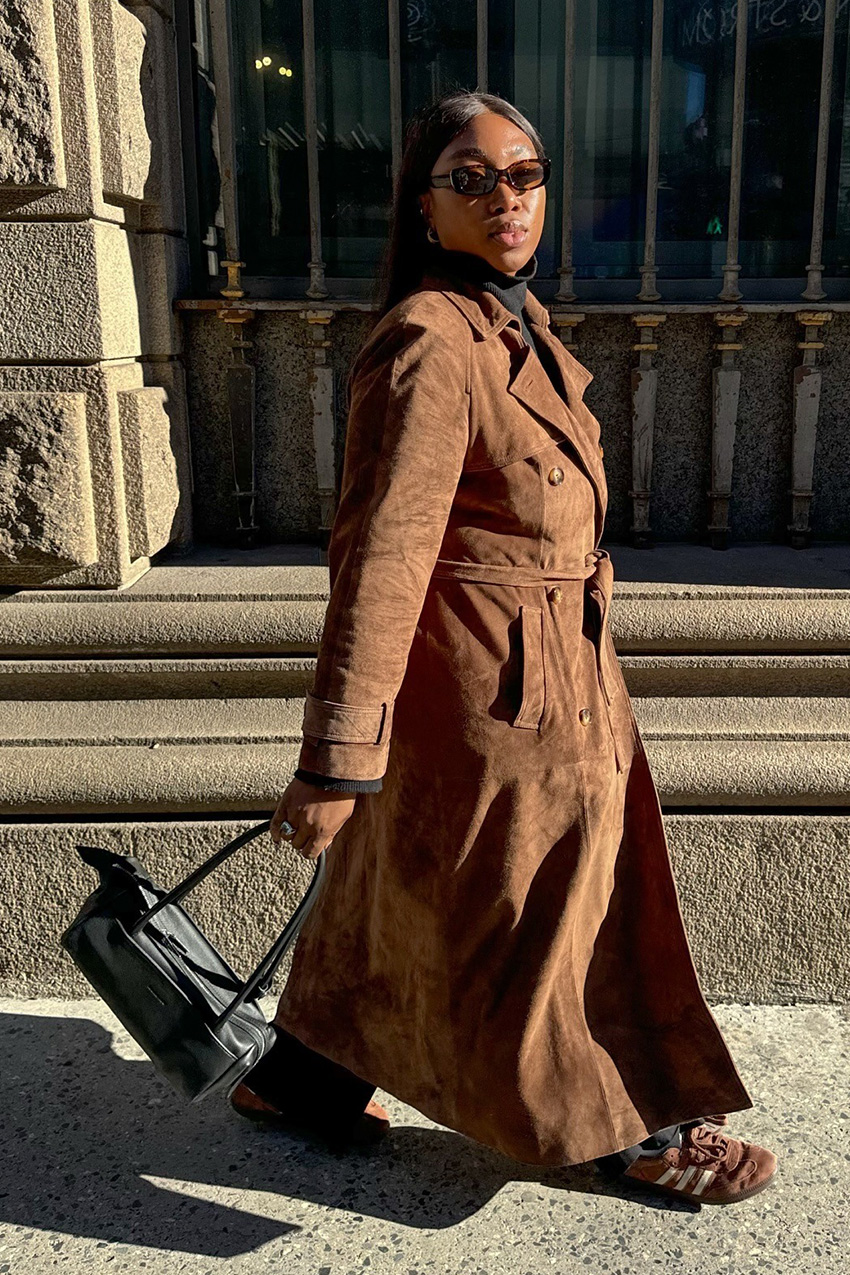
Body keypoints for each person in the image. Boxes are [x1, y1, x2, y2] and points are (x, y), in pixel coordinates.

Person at [231, 90, 778, 1206]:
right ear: (425, 207)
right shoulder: (431, 338)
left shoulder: (515, 325)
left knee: (411, 889)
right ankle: (621, 1127)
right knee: (552, 920)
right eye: (470, 180)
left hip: (553, 671)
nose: (505, 198)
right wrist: (336, 756)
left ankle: (304, 1078)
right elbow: (381, 557)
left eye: (523, 175)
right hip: (500, 695)